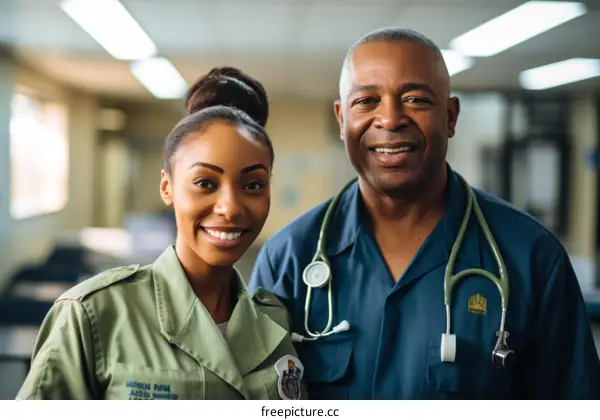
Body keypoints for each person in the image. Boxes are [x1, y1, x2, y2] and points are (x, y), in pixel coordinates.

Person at [248, 27, 600, 399]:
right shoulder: (288, 258)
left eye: (415, 99)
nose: (390, 119)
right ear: (341, 120)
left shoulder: (531, 257)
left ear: (450, 116)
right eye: (366, 101)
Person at [17, 67, 307, 400]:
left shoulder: (279, 321)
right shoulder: (94, 315)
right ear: (167, 187)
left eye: (253, 185)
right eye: (205, 183)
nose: (230, 207)